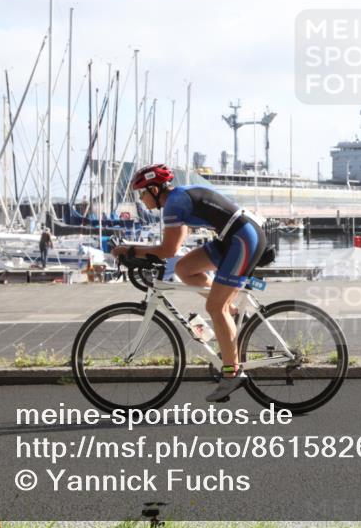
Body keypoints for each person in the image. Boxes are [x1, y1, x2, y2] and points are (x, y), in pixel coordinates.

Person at [112, 164, 266, 402]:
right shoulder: (177, 198)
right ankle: (234, 314)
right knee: (184, 268)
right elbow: (174, 254)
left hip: (243, 239)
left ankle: (232, 373)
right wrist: (137, 252)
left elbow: (167, 249)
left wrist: (129, 250)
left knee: (215, 307)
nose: (141, 199)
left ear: (154, 189)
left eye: (142, 193)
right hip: (231, 238)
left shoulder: (174, 204)